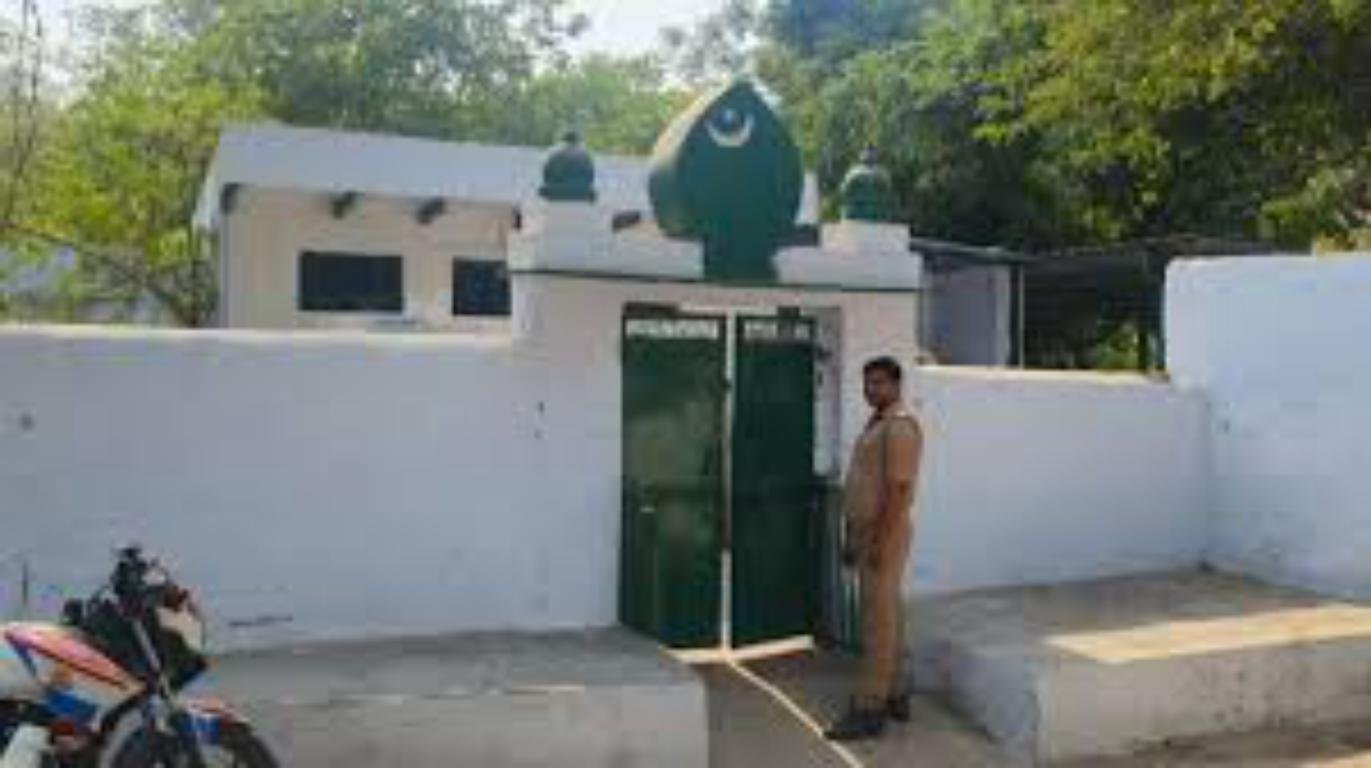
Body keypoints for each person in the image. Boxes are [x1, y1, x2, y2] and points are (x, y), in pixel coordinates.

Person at [825, 356, 924, 742]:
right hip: (869, 532)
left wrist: (880, 542)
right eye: (868, 383)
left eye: (880, 382)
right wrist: (853, 536)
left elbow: (899, 491)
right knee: (888, 614)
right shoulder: (878, 423)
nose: (871, 389)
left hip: (886, 532)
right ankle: (896, 692)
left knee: (876, 622)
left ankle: (870, 708)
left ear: (897, 385)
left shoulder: (900, 426)